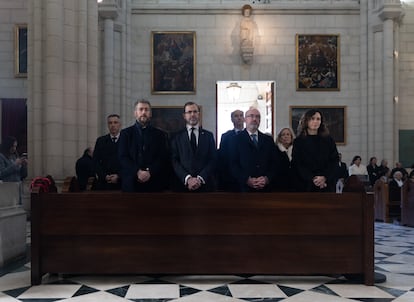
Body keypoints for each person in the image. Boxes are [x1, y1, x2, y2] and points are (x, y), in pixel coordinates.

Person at [118, 99, 170, 192]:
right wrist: (137, 172)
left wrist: (149, 171)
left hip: (154, 183)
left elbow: (162, 157)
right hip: (131, 183)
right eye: (141, 109)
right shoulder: (125, 133)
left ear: (150, 113)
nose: (144, 112)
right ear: (135, 113)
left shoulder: (160, 134)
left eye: (146, 110)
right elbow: (123, 157)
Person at [171, 101, 217, 192]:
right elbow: (174, 160)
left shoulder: (208, 136)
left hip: (205, 186)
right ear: (184, 116)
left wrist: (200, 178)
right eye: (189, 112)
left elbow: (213, 159)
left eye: (195, 112)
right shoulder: (176, 136)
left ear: (199, 114)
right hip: (182, 186)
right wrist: (188, 178)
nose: (192, 114)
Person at [230, 108, 277, 192]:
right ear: (245, 119)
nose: (254, 119)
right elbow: (233, 164)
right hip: (243, 189)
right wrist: (246, 180)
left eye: (257, 117)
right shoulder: (235, 139)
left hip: (266, 189)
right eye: (251, 116)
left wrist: (267, 179)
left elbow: (274, 163)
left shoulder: (268, 140)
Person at [291, 109, 339, 192]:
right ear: (306, 121)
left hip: (326, 184)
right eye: (312, 119)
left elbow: (334, 161)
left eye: (318, 119)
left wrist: (324, 177)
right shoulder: (299, 142)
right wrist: (313, 178)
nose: (315, 121)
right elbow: (297, 164)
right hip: (305, 185)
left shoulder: (328, 140)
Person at [93, 114, 122, 190]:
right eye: (110, 123)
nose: (113, 125)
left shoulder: (127, 140)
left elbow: (130, 161)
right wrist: (104, 176)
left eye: (115, 122)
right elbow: (95, 161)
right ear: (107, 125)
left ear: (120, 125)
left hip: (122, 182)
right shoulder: (101, 141)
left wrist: (119, 176)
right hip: (104, 183)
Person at [217, 109, 244, 191]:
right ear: (232, 119)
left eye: (241, 115)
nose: (239, 118)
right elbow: (222, 157)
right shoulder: (226, 136)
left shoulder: (250, 135)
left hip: (247, 176)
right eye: (236, 116)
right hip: (230, 177)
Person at [273, 127, 295, 191]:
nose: (286, 136)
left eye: (288, 134)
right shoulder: (275, 150)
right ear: (280, 138)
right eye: (283, 135)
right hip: (279, 185)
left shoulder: (296, 150)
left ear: (291, 137)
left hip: (294, 185)